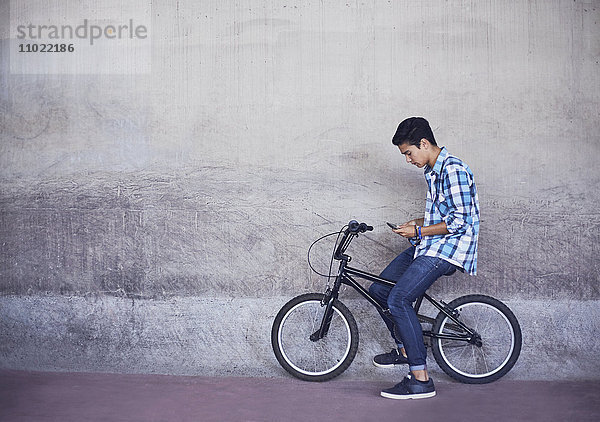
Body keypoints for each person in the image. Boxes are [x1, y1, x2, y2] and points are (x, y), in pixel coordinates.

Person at [370, 117, 480, 399]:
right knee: (380, 290)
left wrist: (420, 229)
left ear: (424, 143)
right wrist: (414, 225)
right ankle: (407, 348)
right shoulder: (432, 172)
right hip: (429, 245)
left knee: (399, 299)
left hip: (448, 249)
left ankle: (420, 378)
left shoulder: (452, 169)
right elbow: (441, 216)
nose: (408, 160)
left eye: (408, 153)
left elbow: (459, 222)